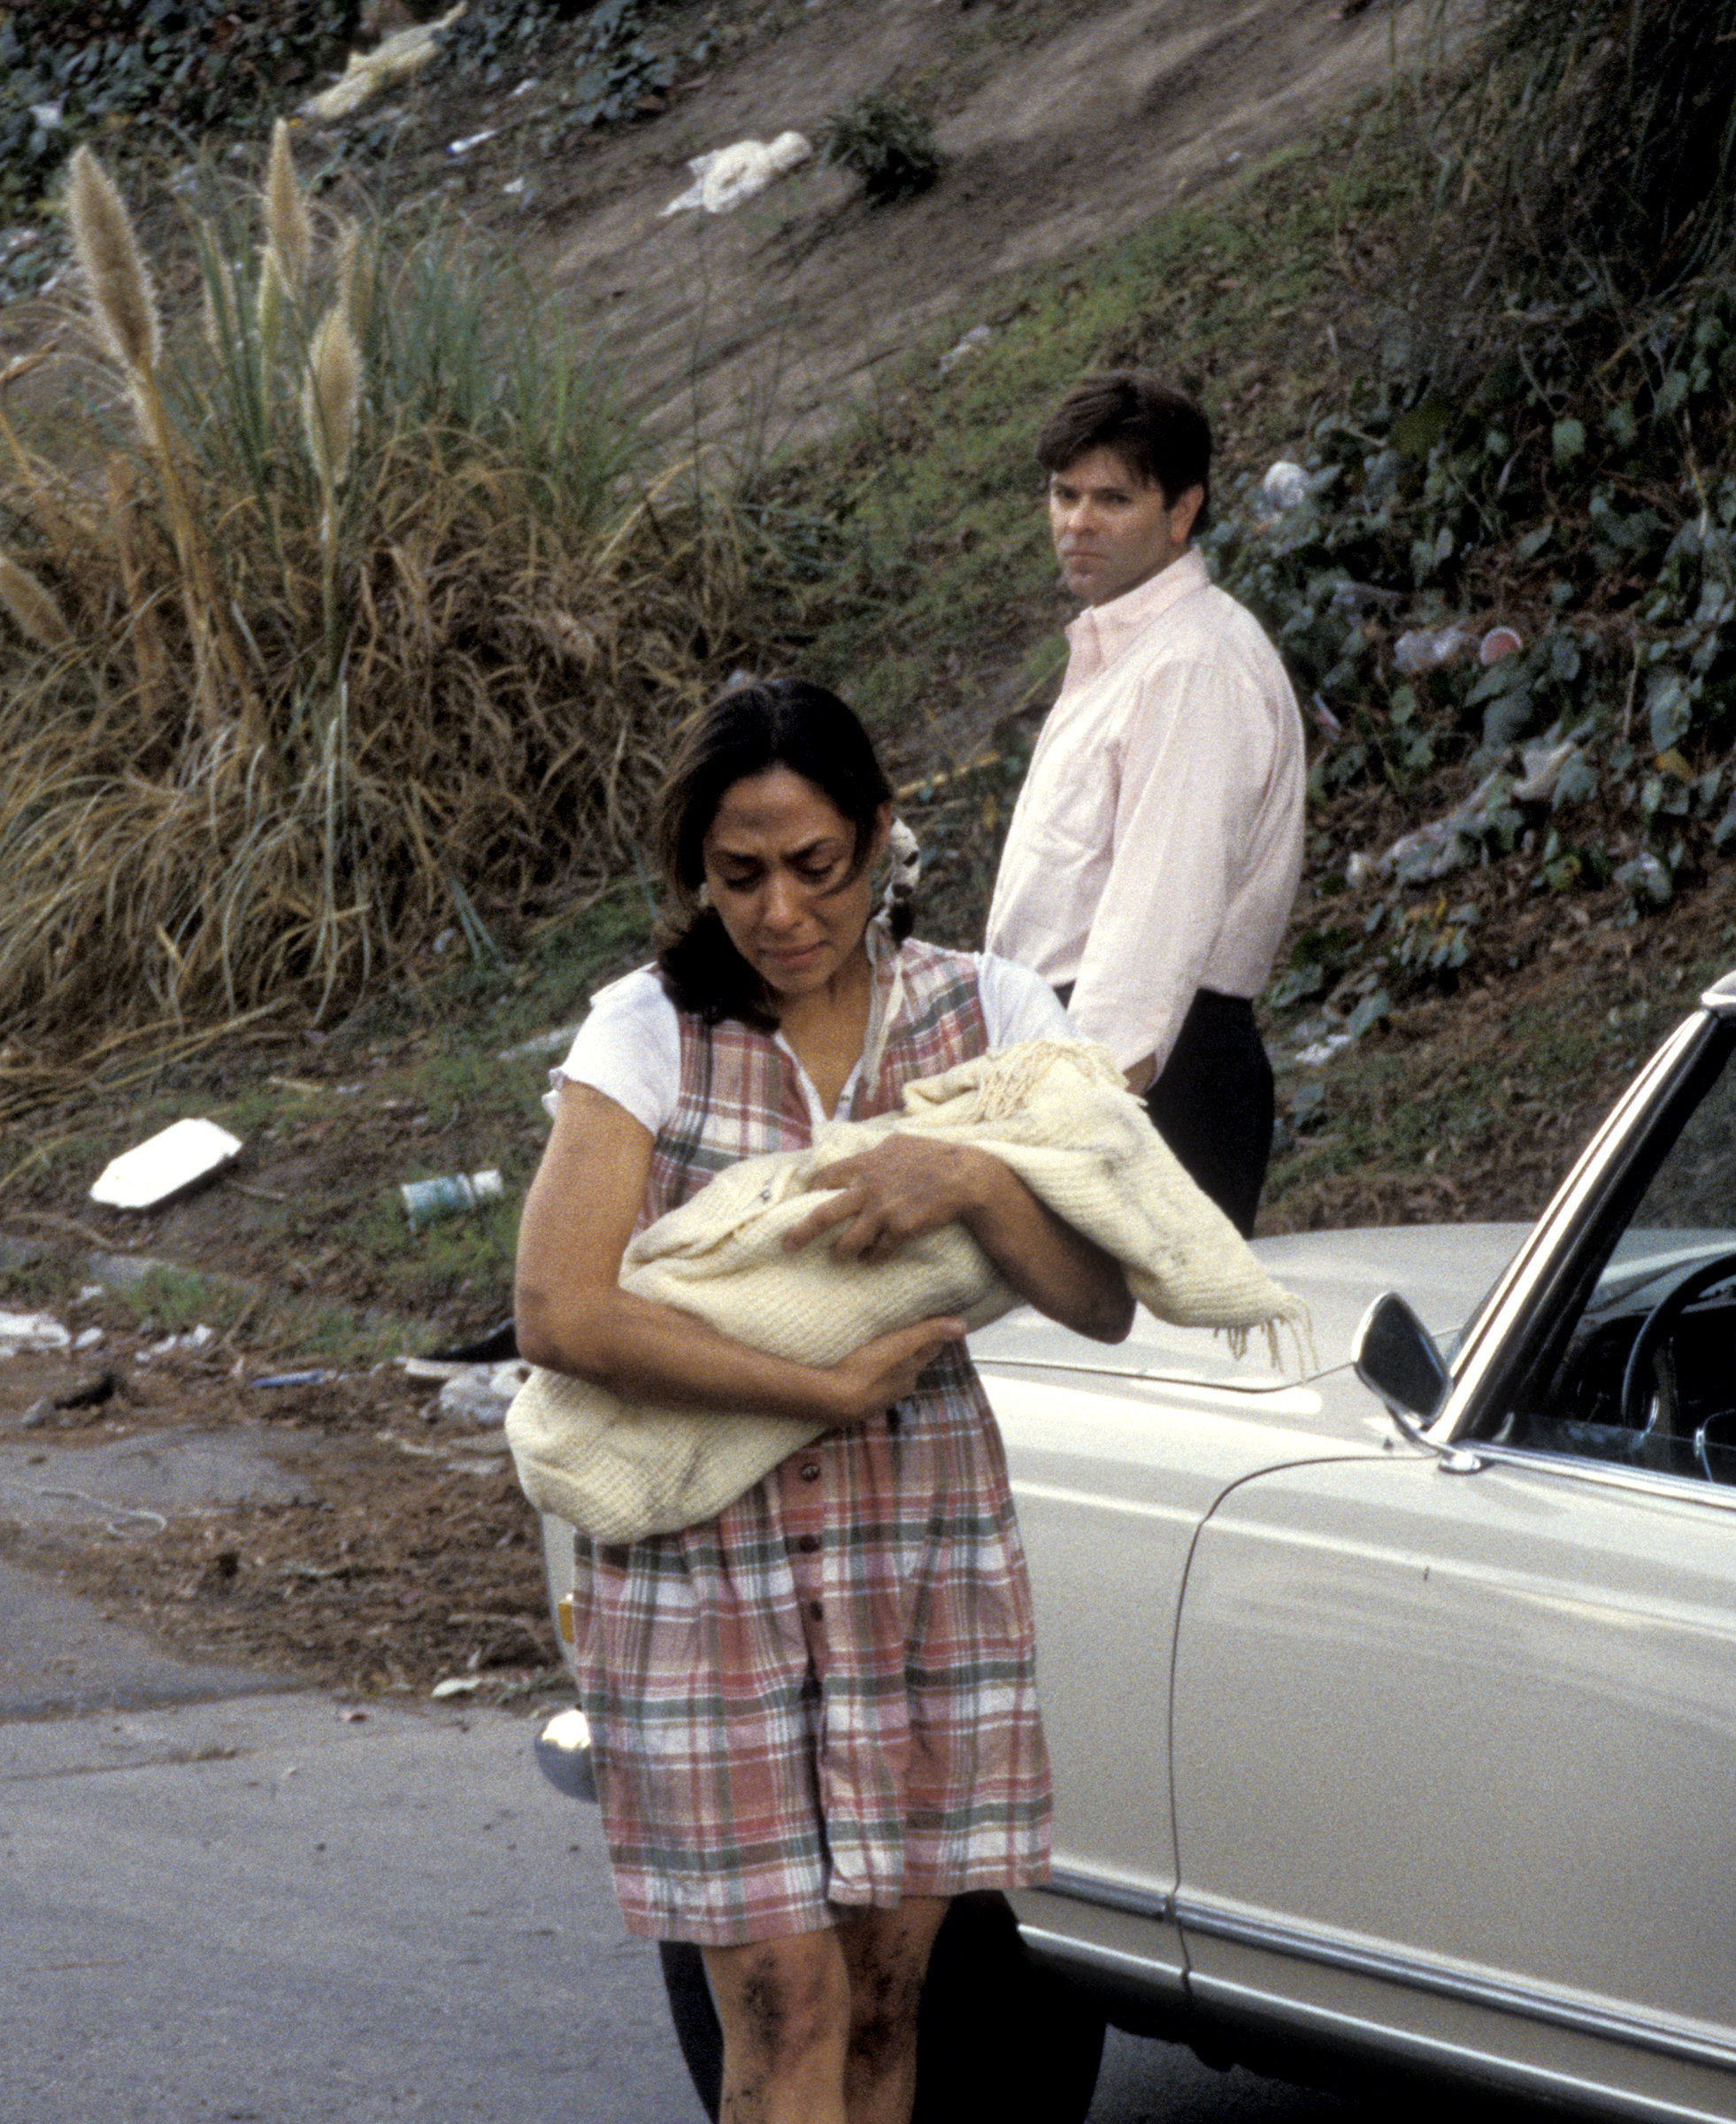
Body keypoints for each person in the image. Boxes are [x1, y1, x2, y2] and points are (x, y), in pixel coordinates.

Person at [513, 679, 1133, 2124]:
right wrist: (817, 1385)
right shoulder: (646, 1033)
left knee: (879, 2002)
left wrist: (973, 1174)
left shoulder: (994, 1016)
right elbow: (559, 1312)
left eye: (817, 868)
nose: (782, 911)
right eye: (740, 876)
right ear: (695, 871)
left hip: (916, 1552)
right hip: (704, 1567)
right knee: (785, 2002)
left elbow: (1101, 1292)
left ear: (879, 839)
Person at [984, 371, 1304, 1235]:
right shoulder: (1130, 650)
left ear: (1181, 512)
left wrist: (1065, 1130)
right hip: (1088, 1061)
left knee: (1137, 1365)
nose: (1077, 524)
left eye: (1112, 499)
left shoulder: (1191, 667)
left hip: (1148, 1080)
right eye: (1064, 494)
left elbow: (1155, 925)